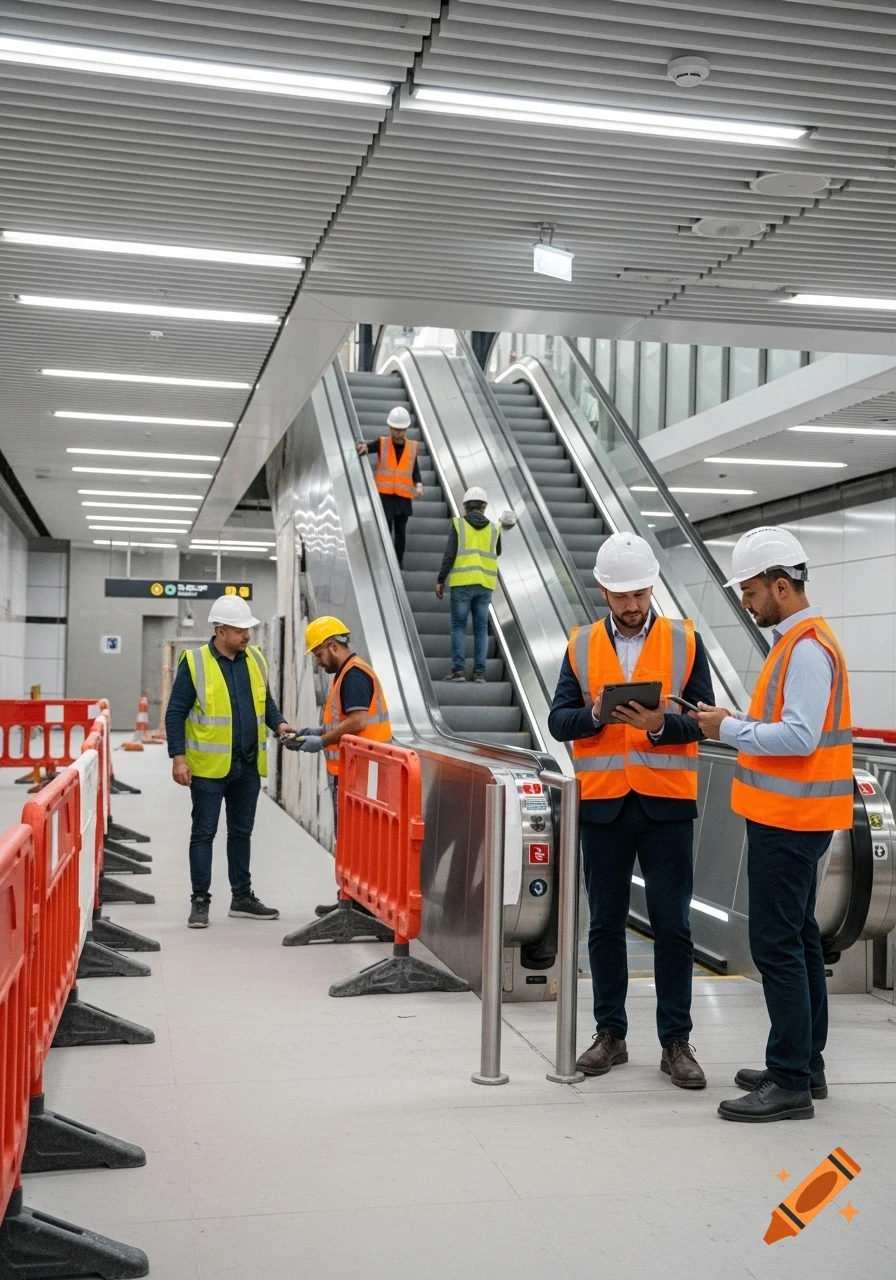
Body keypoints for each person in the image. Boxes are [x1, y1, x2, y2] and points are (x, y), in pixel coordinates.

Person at [696, 527, 853, 1123]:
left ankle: (789, 1080)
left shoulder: (807, 648)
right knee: (801, 939)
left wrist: (727, 731)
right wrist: (735, 719)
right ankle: (805, 1063)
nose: (747, 601)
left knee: (778, 946)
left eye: (751, 590)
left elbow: (799, 736)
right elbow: (789, 727)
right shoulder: (799, 644)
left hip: (791, 820)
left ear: (781, 586)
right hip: (795, 816)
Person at [547, 532, 714, 1089]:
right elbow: (558, 722)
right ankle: (610, 1034)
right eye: (621, 595)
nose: (632, 605)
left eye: (640, 593)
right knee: (605, 924)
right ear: (603, 591)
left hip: (666, 805)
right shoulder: (580, 645)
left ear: (652, 588)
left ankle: (676, 1043)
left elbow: (704, 721)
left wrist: (661, 725)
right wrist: (596, 715)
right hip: (603, 806)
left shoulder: (685, 641)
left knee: (674, 926)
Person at [166, 594, 298, 929]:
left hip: (247, 766)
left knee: (242, 833)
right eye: (240, 630)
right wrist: (178, 758)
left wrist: (279, 723)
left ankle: (242, 897)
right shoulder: (194, 662)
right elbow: (175, 712)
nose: (247, 635)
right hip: (209, 769)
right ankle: (200, 900)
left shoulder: (254, 659)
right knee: (204, 833)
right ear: (220, 630)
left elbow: (265, 701)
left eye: (248, 629)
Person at [297, 616, 392, 916]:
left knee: (357, 840)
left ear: (333, 647)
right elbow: (344, 720)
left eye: (318, 654)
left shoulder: (353, 675)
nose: (318, 662)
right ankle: (349, 899)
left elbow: (358, 721)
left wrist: (322, 741)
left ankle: (356, 904)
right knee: (352, 840)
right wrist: (315, 732)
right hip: (357, 771)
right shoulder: (348, 674)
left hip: (363, 773)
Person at [436, 488, 516, 682]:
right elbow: (497, 551)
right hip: (485, 585)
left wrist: (440, 580)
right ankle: (480, 673)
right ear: (484, 507)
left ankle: (458, 671)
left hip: (462, 584)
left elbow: (449, 555)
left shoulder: (458, 525)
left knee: (458, 626)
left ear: (465, 507)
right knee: (481, 628)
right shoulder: (494, 528)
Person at [356, 405, 423, 568]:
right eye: (395, 429)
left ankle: (397, 564)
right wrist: (364, 447)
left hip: (403, 497)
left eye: (401, 430)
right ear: (390, 428)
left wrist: (418, 484)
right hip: (385, 496)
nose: (399, 433)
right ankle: (384, 563)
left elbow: (414, 468)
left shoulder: (412, 447)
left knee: (400, 532)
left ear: (406, 429)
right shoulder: (382, 443)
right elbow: (368, 447)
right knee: (385, 529)